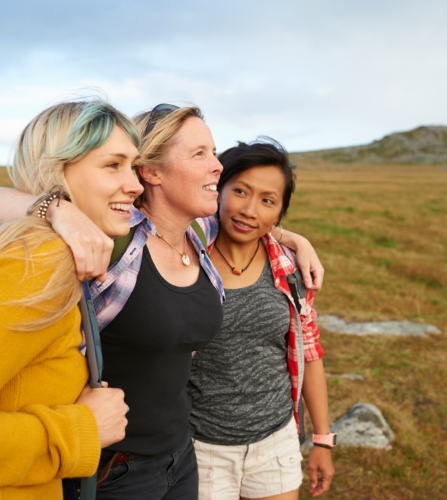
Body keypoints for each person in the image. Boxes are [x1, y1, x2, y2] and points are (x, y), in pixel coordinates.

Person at [0, 103, 325, 500]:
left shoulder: (197, 233)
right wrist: (54, 207)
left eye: (129, 165)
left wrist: (292, 238)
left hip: (179, 456)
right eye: (199, 153)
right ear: (153, 172)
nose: (219, 165)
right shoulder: (101, 244)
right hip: (113, 471)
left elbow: (246, 219)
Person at [0, 100, 138, 499]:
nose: (135, 184)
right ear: (56, 170)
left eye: (133, 166)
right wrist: (80, 430)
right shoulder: (40, 262)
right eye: (113, 165)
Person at [188, 139, 335, 500]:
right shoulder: (184, 257)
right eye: (240, 191)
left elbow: (310, 352)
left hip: (276, 441)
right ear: (218, 190)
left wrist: (322, 440)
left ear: (279, 213)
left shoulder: (289, 267)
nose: (249, 210)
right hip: (201, 446)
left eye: (267, 200)